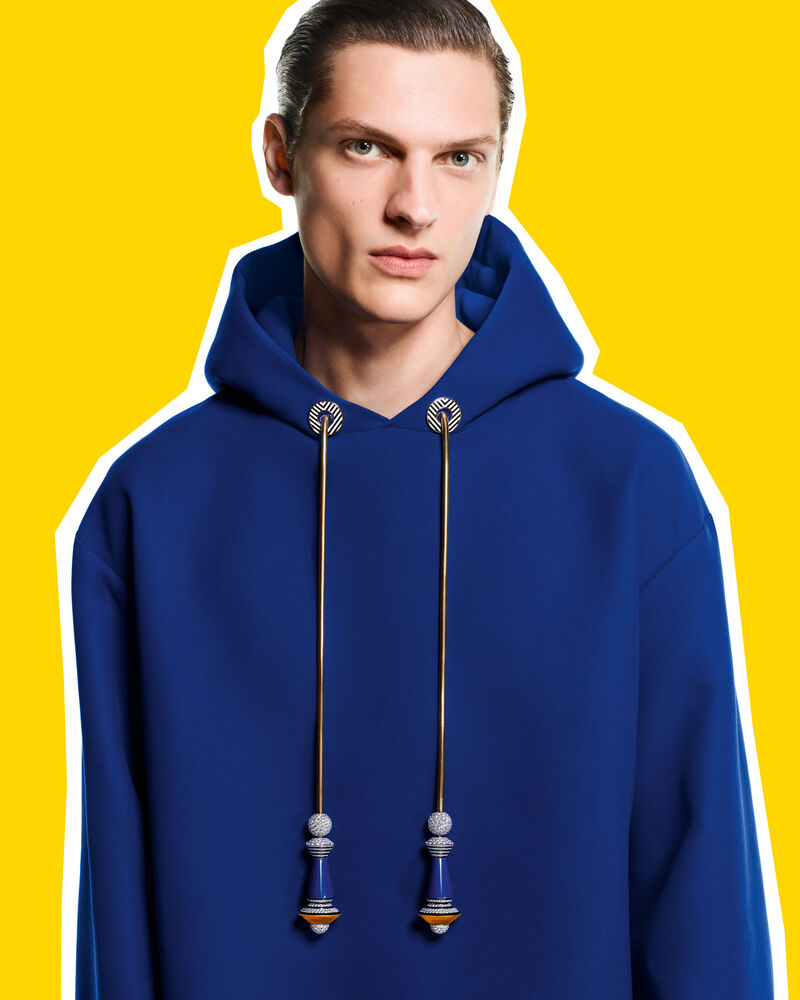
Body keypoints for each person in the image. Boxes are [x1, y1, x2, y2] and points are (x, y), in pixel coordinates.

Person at [65, 0, 776, 996]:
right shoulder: (153, 504)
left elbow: (697, 890)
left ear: (497, 168)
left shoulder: (628, 484)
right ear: (281, 156)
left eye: (458, 158)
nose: (415, 207)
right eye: (366, 148)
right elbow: (119, 908)